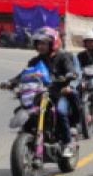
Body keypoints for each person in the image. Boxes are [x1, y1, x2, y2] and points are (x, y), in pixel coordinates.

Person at [5, 27, 81, 156]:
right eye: (38, 43)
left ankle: (68, 143)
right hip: (38, 93)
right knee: (22, 109)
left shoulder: (64, 57)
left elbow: (71, 70)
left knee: (61, 111)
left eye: (44, 43)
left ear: (53, 43)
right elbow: (24, 74)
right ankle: (28, 135)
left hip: (58, 92)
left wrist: (69, 76)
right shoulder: (35, 61)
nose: (40, 46)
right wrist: (10, 82)